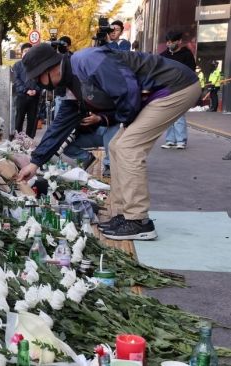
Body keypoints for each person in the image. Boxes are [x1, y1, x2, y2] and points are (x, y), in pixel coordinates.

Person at [16, 44, 200, 240]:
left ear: (50, 68)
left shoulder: (87, 60)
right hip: (158, 93)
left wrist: (123, 121)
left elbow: (126, 88)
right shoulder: (71, 84)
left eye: (38, 78)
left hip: (175, 87)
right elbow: (59, 127)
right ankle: (124, 214)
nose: (39, 84)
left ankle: (139, 221)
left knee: (128, 146)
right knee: (115, 145)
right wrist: (36, 162)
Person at [160, 31, 195, 150]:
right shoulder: (163, 55)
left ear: (179, 41)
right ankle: (170, 140)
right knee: (168, 115)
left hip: (182, 88)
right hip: (167, 88)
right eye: (168, 42)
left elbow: (191, 70)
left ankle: (181, 140)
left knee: (179, 115)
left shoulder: (186, 54)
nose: (169, 44)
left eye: (172, 42)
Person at [12, 43, 40, 138]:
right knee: (19, 118)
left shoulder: (38, 66)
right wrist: (26, 90)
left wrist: (36, 90)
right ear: (21, 53)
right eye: (25, 51)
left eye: (29, 51)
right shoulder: (17, 65)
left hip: (35, 96)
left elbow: (41, 79)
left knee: (32, 120)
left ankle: (30, 140)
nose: (27, 53)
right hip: (21, 96)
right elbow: (16, 80)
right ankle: (17, 139)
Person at [53, 36, 72, 118]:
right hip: (59, 92)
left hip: (71, 92)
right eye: (60, 44)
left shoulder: (73, 57)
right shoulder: (55, 57)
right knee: (58, 117)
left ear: (69, 46)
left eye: (64, 44)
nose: (62, 46)